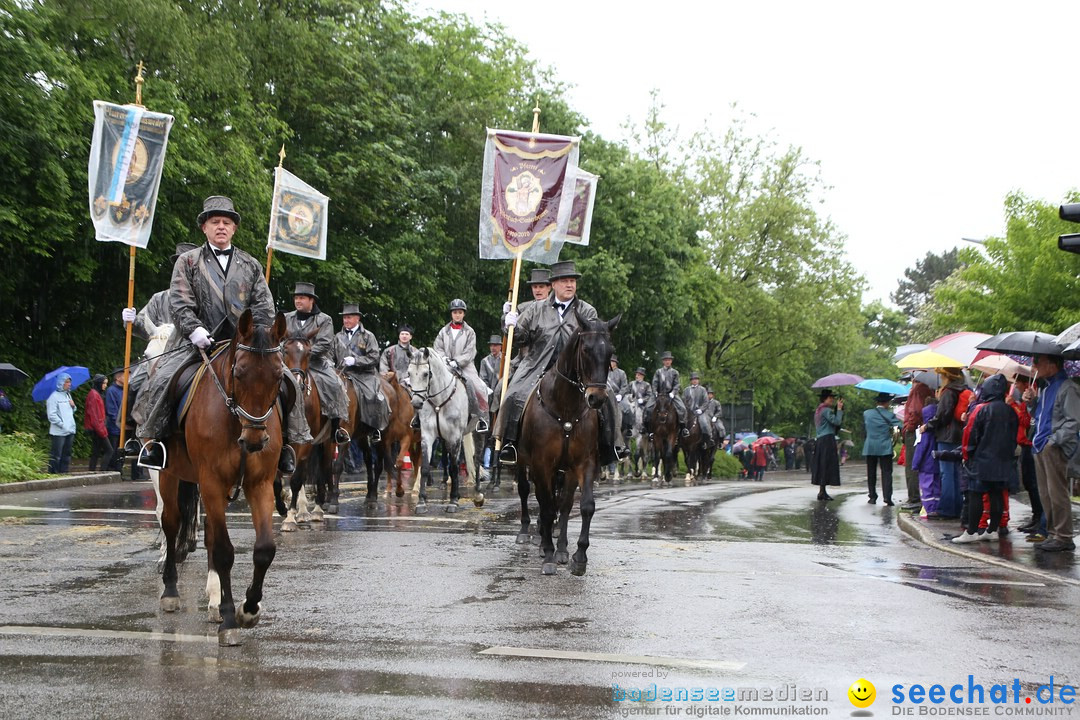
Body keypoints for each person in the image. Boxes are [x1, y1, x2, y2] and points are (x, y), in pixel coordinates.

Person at [131, 196, 310, 471]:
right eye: (215, 222)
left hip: (245, 346)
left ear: (234, 228)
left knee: (287, 381)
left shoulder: (251, 264)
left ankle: (287, 442)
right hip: (196, 344)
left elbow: (264, 306)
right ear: (204, 227)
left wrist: (258, 337)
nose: (221, 227)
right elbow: (179, 302)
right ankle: (156, 443)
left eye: (226, 222)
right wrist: (194, 330)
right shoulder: (187, 262)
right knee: (162, 379)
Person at [498, 260, 626, 464]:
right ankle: (510, 444)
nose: (570, 285)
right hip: (537, 367)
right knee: (512, 394)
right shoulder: (535, 309)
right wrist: (509, 324)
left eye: (573, 281)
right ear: (554, 285)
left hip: (577, 372)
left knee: (608, 397)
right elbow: (519, 339)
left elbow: (596, 341)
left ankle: (611, 445)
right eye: (565, 281)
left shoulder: (587, 310)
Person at [949, 374, 1018, 543]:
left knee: (975, 495)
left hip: (981, 459)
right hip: (1003, 460)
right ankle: (992, 529)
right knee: (996, 495)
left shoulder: (980, 409)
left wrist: (967, 455)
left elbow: (969, 434)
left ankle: (971, 531)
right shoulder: (1010, 411)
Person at [1024, 353, 1080, 552]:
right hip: (1041, 445)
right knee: (1046, 493)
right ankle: (1053, 533)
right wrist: (1030, 402)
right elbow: (1039, 416)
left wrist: (1053, 442)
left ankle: (1063, 536)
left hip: (1052, 447)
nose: (1034, 365)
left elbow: (1073, 420)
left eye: (1037, 361)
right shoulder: (1046, 388)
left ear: (1051, 364)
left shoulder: (1068, 387)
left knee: (1057, 493)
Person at [285, 282, 351, 444]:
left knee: (336, 385)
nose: (298, 301)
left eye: (302, 298)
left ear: (311, 301)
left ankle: (337, 428)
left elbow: (325, 343)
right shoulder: (286, 318)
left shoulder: (324, 320)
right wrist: (292, 354)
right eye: (296, 298)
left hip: (317, 362)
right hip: (289, 361)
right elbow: (278, 339)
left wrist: (304, 354)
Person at [433, 298, 490, 432]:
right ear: (451, 314)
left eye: (460, 312)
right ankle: (421, 416)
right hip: (445, 365)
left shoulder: (470, 332)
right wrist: (444, 359)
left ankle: (482, 418)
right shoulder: (443, 331)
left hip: (465, 366)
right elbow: (438, 347)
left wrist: (457, 361)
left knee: (479, 387)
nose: (457, 315)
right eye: (455, 312)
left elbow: (470, 351)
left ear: (463, 314)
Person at [336, 302, 389, 440]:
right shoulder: (337, 337)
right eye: (345, 317)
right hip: (343, 373)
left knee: (373, 396)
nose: (346, 320)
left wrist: (356, 361)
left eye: (349, 317)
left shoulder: (368, 336)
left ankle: (373, 428)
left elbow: (374, 357)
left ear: (357, 319)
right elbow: (330, 356)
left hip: (364, 374)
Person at [919, 367, 967, 518]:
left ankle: (946, 509)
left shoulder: (948, 392)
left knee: (946, 473)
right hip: (959, 435)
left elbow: (942, 416)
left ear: (946, 376)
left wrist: (927, 425)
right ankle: (958, 507)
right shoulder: (961, 390)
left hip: (946, 436)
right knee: (956, 473)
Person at [1007, 374, 1042, 537]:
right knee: (1028, 482)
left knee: (1033, 483)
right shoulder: (1025, 400)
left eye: (1017, 383)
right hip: (1024, 444)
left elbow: (1026, 421)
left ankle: (1040, 517)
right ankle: (1036, 516)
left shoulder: (1031, 398)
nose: (1016, 386)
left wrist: (1014, 404)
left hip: (1030, 444)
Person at [900, 378, 935, 510]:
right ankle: (921, 496)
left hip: (915, 430)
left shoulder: (918, 390)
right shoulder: (929, 389)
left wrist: (909, 427)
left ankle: (914, 498)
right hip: (924, 427)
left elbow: (914, 410)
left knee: (912, 465)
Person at [862, 392, 901, 505]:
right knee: (887, 472)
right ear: (887, 403)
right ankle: (887, 497)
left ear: (877, 402)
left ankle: (872, 496)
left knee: (871, 472)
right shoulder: (889, 415)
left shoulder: (867, 413)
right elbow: (901, 426)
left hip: (870, 446)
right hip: (884, 446)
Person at [811, 389, 843, 500]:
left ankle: (822, 490)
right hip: (827, 439)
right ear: (825, 399)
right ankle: (822, 492)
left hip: (820, 439)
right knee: (827, 464)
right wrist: (839, 409)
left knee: (822, 464)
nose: (832, 400)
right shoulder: (826, 411)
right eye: (830, 398)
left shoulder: (818, 410)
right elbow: (837, 422)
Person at [912, 401, 941, 516]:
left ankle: (929, 509)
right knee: (937, 486)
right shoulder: (939, 432)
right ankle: (937, 507)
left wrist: (915, 464)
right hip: (937, 465)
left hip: (926, 466)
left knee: (926, 487)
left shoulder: (924, 434)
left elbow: (920, 450)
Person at [650, 351, 687, 436]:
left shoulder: (675, 372)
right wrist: (655, 392)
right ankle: (647, 428)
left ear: (671, 361)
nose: (667, 361)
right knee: (648, 408)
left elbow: (677, 384)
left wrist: (673, 393)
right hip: (659, 395)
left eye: (669, 360)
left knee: (682, 408)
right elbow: (654, 383)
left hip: (671, 395)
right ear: (663, 361)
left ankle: (683, 427)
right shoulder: (658, 372)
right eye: (666, 360)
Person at [46, 373, 76, 474]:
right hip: (58, 432)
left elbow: (71, 411)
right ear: (60, 383)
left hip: (70, 430)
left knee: (67, 454)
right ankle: (53, 473)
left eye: (70, 382)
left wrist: (73, 406)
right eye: (67, 382)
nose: (69, 384)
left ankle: (64, 472)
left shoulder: (68, 395)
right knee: (56, 455)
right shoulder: (53, 397)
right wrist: (62, 425)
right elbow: (52, 415)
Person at [83, 373, 114, 472]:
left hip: (97, 427)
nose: (105, 385)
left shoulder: (95, 394)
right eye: (104, 383)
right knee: (109, 450)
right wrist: (102, 431)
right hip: (98, 428)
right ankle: (103, 471)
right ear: (99, 383)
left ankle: (92, 471)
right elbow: (95, 416)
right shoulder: (94, 395)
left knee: (96, 451)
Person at [682, 371, 713, 445]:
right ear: (691, 381)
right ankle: (677, 440)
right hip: (688, 412)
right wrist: (686, 409)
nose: (694, 380)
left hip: (699, 412)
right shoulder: (686, 390)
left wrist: (701, 409)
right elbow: (683, 400)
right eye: (693, 379)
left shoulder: (703, 389)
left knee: (704, 423)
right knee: (680, 422)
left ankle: (707, 440)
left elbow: (706, 401)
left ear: (698, 380)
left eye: (696, 379)